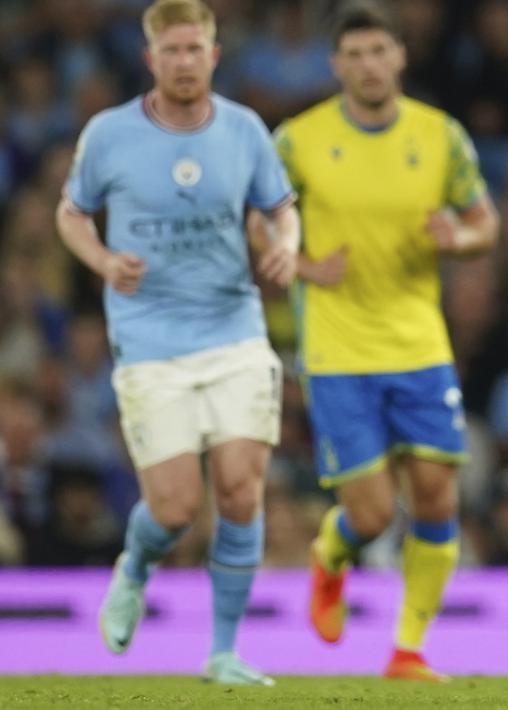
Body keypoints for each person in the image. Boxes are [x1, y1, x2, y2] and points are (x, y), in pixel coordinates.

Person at [55, 0, 299, 686]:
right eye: (172, 51)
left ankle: (223, 652)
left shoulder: (244, 130)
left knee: (241, 491)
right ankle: (135, 567)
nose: (184, 62)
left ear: (213, 55)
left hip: (234, 331)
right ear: (151, 58)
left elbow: (282, 207)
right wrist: (104, 260)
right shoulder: (109, 134)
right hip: (149, 339)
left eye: (195, 50)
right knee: (175, 507)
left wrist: (286, 246)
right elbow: (71, 213)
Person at [270, 1, 499, 682]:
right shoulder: (298, 140)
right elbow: (258, 221)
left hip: (419, 343)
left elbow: (484, 222)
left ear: (400, 55)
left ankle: (408, 650)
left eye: (379, 51)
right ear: (336, 65)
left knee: (436, 498)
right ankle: (329, 555)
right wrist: (302, 264)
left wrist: (458, 239)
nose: (369, 65)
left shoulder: (440, 135)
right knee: (370, 515)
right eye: (355, 55)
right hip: (337, 350)